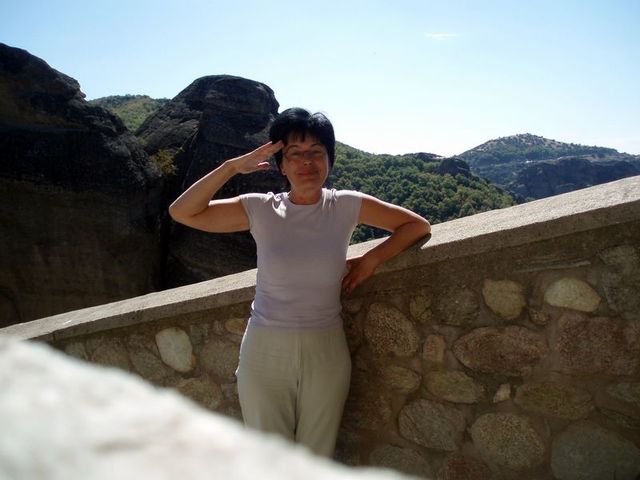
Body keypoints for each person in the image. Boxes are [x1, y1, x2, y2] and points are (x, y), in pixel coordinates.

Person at [168, 108, 430, 457]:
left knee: (315, 457)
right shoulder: (260, 209)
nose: (307, 161)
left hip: (326, 349)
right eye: (295, 153)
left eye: (316, 152)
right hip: (264, 350)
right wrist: (232, 167)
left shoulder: (345, 205)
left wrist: (371, 259)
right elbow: (183, 211)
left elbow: (416, 226)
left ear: (329, 160)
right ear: (282, 165)